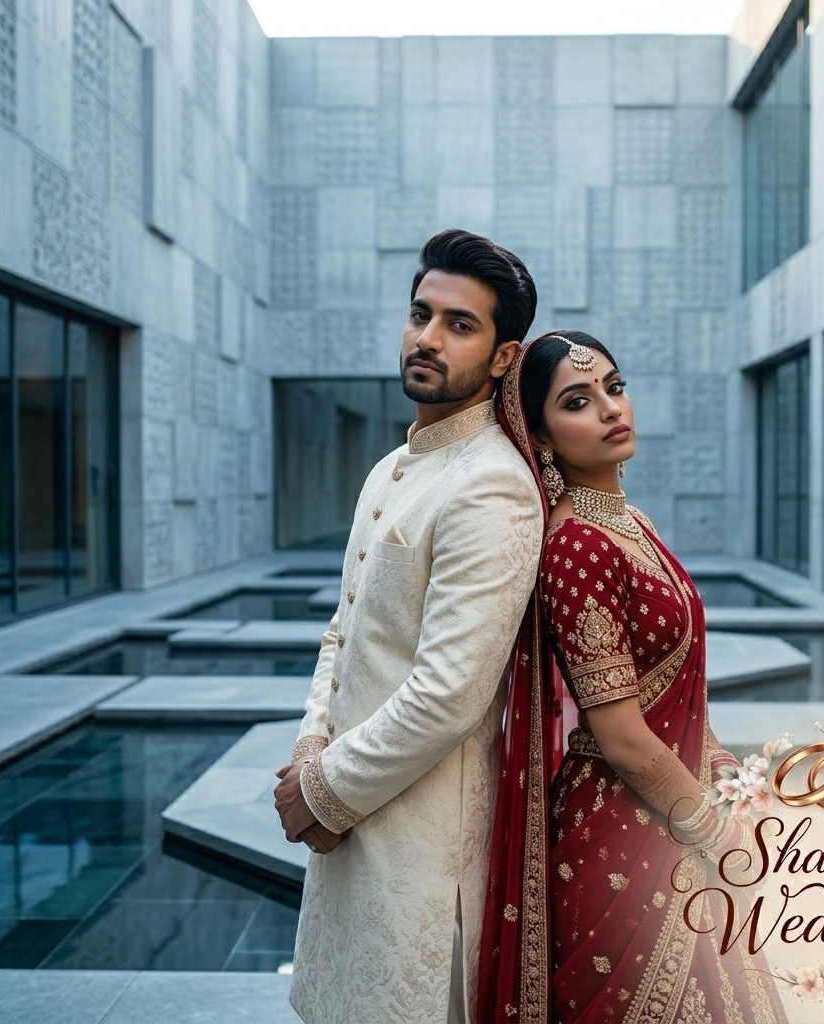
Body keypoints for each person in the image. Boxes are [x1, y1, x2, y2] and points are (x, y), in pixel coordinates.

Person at [274, 229, 543, 1024]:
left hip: (421, 852)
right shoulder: (389, 471)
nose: (426, 338)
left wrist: (324, 791)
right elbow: (342, 632)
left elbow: (450, 694)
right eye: (420, 314)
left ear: (503, 357)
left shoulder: (492, 485)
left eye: (459, 324)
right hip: (350, 824)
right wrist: (308, 749)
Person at [478, 331, 787, 1023]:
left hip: (672, 809)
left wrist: (721, 771)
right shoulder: (576, 544)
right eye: (579, 401)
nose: (612, 409)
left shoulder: (627, 521)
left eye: (615, 388)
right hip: (623, 833)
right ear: (544, 438)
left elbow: (676, 687)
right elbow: (619, 734)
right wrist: (717, 831)